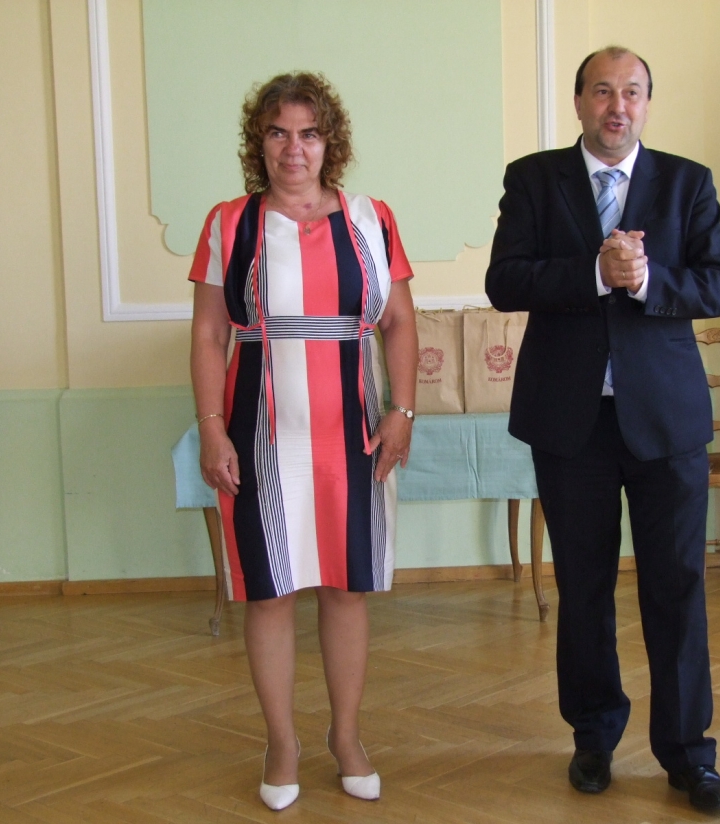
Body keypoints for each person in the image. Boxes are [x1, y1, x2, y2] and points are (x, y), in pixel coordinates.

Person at [485, 47, 720, 811]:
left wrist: (648, 279)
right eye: (603, 91)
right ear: (579, 101)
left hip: (665, 423)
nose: (617, 106)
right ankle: (593, 738)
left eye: (632, 92)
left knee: (677, 587)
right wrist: (596, 273)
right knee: (585, 587)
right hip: (571, 424)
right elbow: (505, 280)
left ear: (647, 104)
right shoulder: (534, 179)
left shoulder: (688, 182)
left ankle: (689, 755)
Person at [189, 72, 417, 812]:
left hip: (353, 431)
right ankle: (281, 743)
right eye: (279, 133)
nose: (295, 148)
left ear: (330, 142)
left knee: (347, 588)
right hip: (258, 432)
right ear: (259, 142)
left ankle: (346, 737)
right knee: (269, 592)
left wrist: (402, 411)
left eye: (310, 133)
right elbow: (209, 334)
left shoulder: (373, 219)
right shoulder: (230, 224)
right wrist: (212, 428)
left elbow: (399, 322)